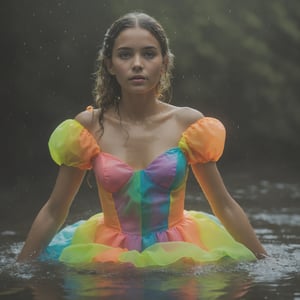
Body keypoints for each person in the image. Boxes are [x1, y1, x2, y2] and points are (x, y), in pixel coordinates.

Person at [17, 12, 266, 267]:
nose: (137, 64)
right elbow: (55, 209)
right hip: (108, 256)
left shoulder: (188, 124)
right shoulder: (87, 127)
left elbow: (223, 205)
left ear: (165, 62)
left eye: (148, 54)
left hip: (179, 255)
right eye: (125, 54)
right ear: (110, 64)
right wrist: (21, 266)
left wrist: (264, 261)